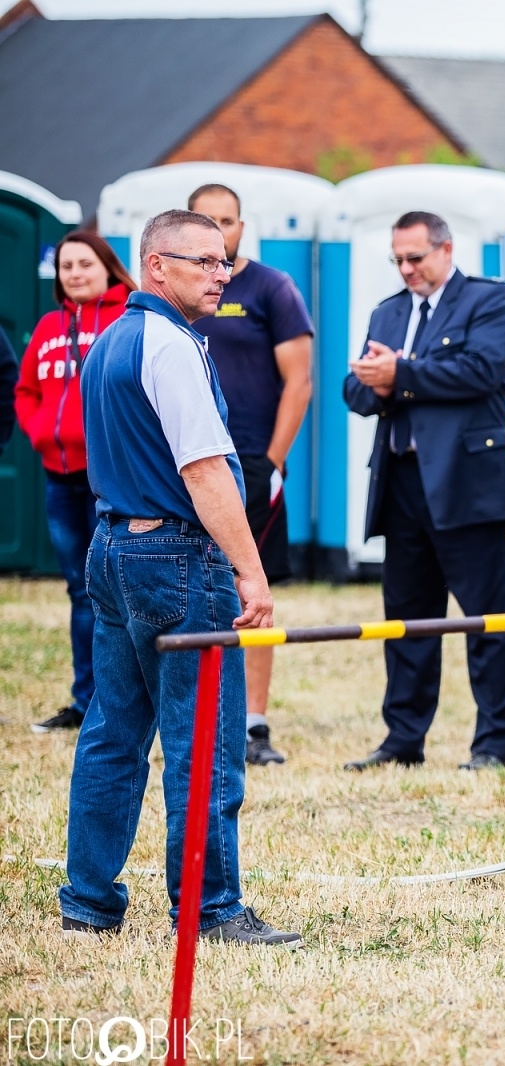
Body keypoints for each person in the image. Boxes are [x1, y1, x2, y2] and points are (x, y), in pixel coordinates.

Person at [61, 209, 299, 946]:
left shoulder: (111, 340)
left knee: (112, 732)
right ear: (156, 266)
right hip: (176, 557)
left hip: (114, 549)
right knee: (205, 745)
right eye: (203, 261)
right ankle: (211, 908)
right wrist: (252, 573)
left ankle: (88, 902)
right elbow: (205, 473)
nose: (220, 275)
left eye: (224, 261)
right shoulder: (171, 345)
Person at [343, 211, 505, 772]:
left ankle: (494, 745)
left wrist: (401, 375)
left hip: (469, 486)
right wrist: (379, 382)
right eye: (397, 259)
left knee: (488, 622)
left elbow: (481, 370)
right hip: (401, 483)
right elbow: (356, 389)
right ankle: (403, 739)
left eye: (415, 258)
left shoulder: (488, 300)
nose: (406, 269)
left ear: (446, 250)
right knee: (407, 621)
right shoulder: (388, 311)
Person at [189, 183, 314, 767]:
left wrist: (272, 460)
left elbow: (300, 382)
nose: (221, 230)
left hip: (250, 468)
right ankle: (193, 720)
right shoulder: (176, 295)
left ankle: (253, 724)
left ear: (242, 225)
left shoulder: (272, 287)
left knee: (252, 590)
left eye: (229, 220)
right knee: (188, 592)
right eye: (208, 220)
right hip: (185, 468)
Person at [15, 231, 134, 735]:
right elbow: (25, 390)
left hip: (108, 481)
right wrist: (40, 432)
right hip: (57, 479)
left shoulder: (128, 319)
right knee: (79, 591)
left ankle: (121, 702)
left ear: (108, 267)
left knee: (115, 592)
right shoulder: (48, 326)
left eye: (85, 264)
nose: (75, 274)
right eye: (66, 266)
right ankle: (86, 702)